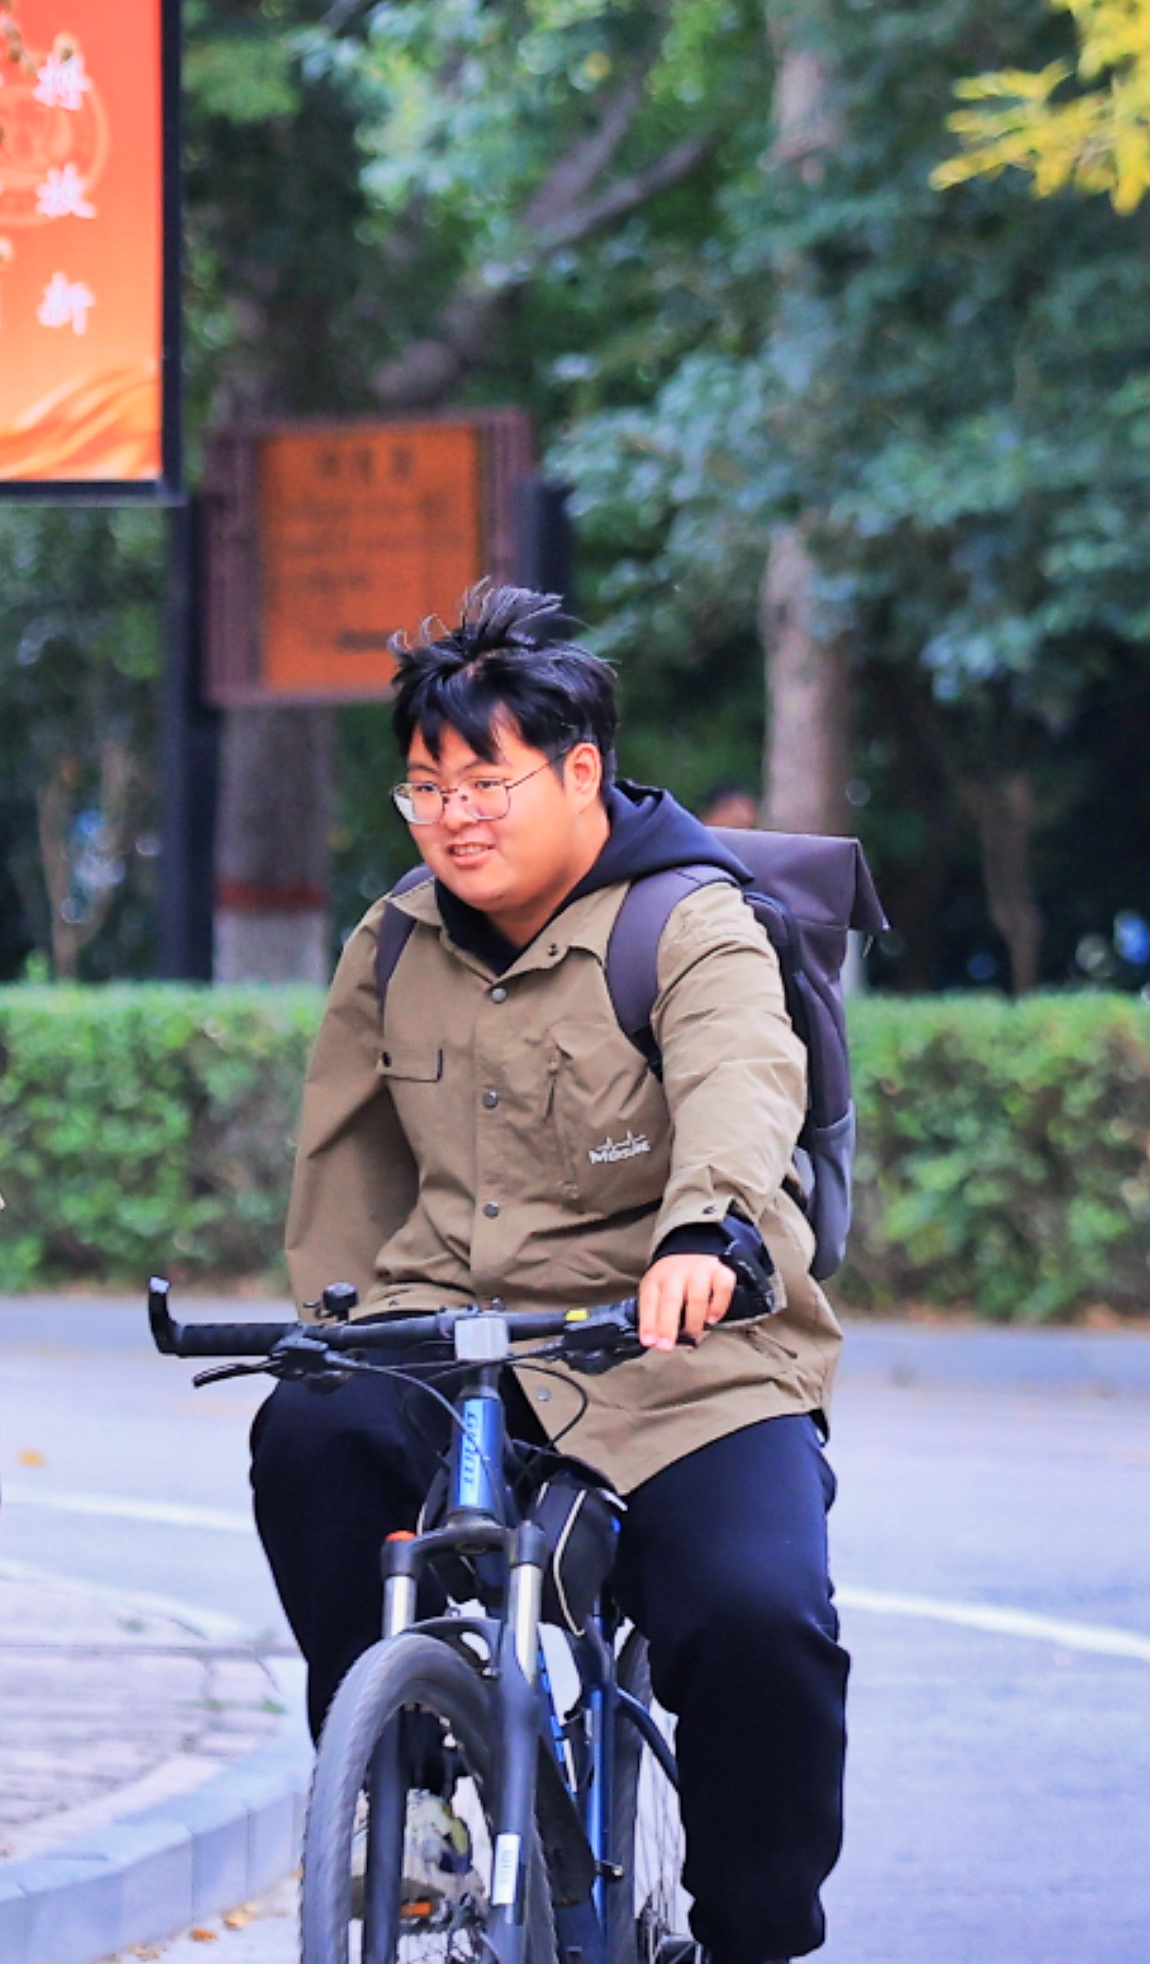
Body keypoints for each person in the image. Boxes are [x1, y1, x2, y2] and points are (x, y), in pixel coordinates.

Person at [249, 586, 850, 1964]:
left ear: (581, 773)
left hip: (677, 1354)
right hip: (448, 1338)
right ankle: (402, 1788)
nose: (455, 813)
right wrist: (329, 1332)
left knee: (763, 1625)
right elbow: (344, 1172)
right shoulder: (394, 942)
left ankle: (754, 1935)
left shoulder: (687, 925)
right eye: (425, 786)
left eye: (487, 780)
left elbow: (743, 1088)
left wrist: (707, 1234)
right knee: (309, 1439)